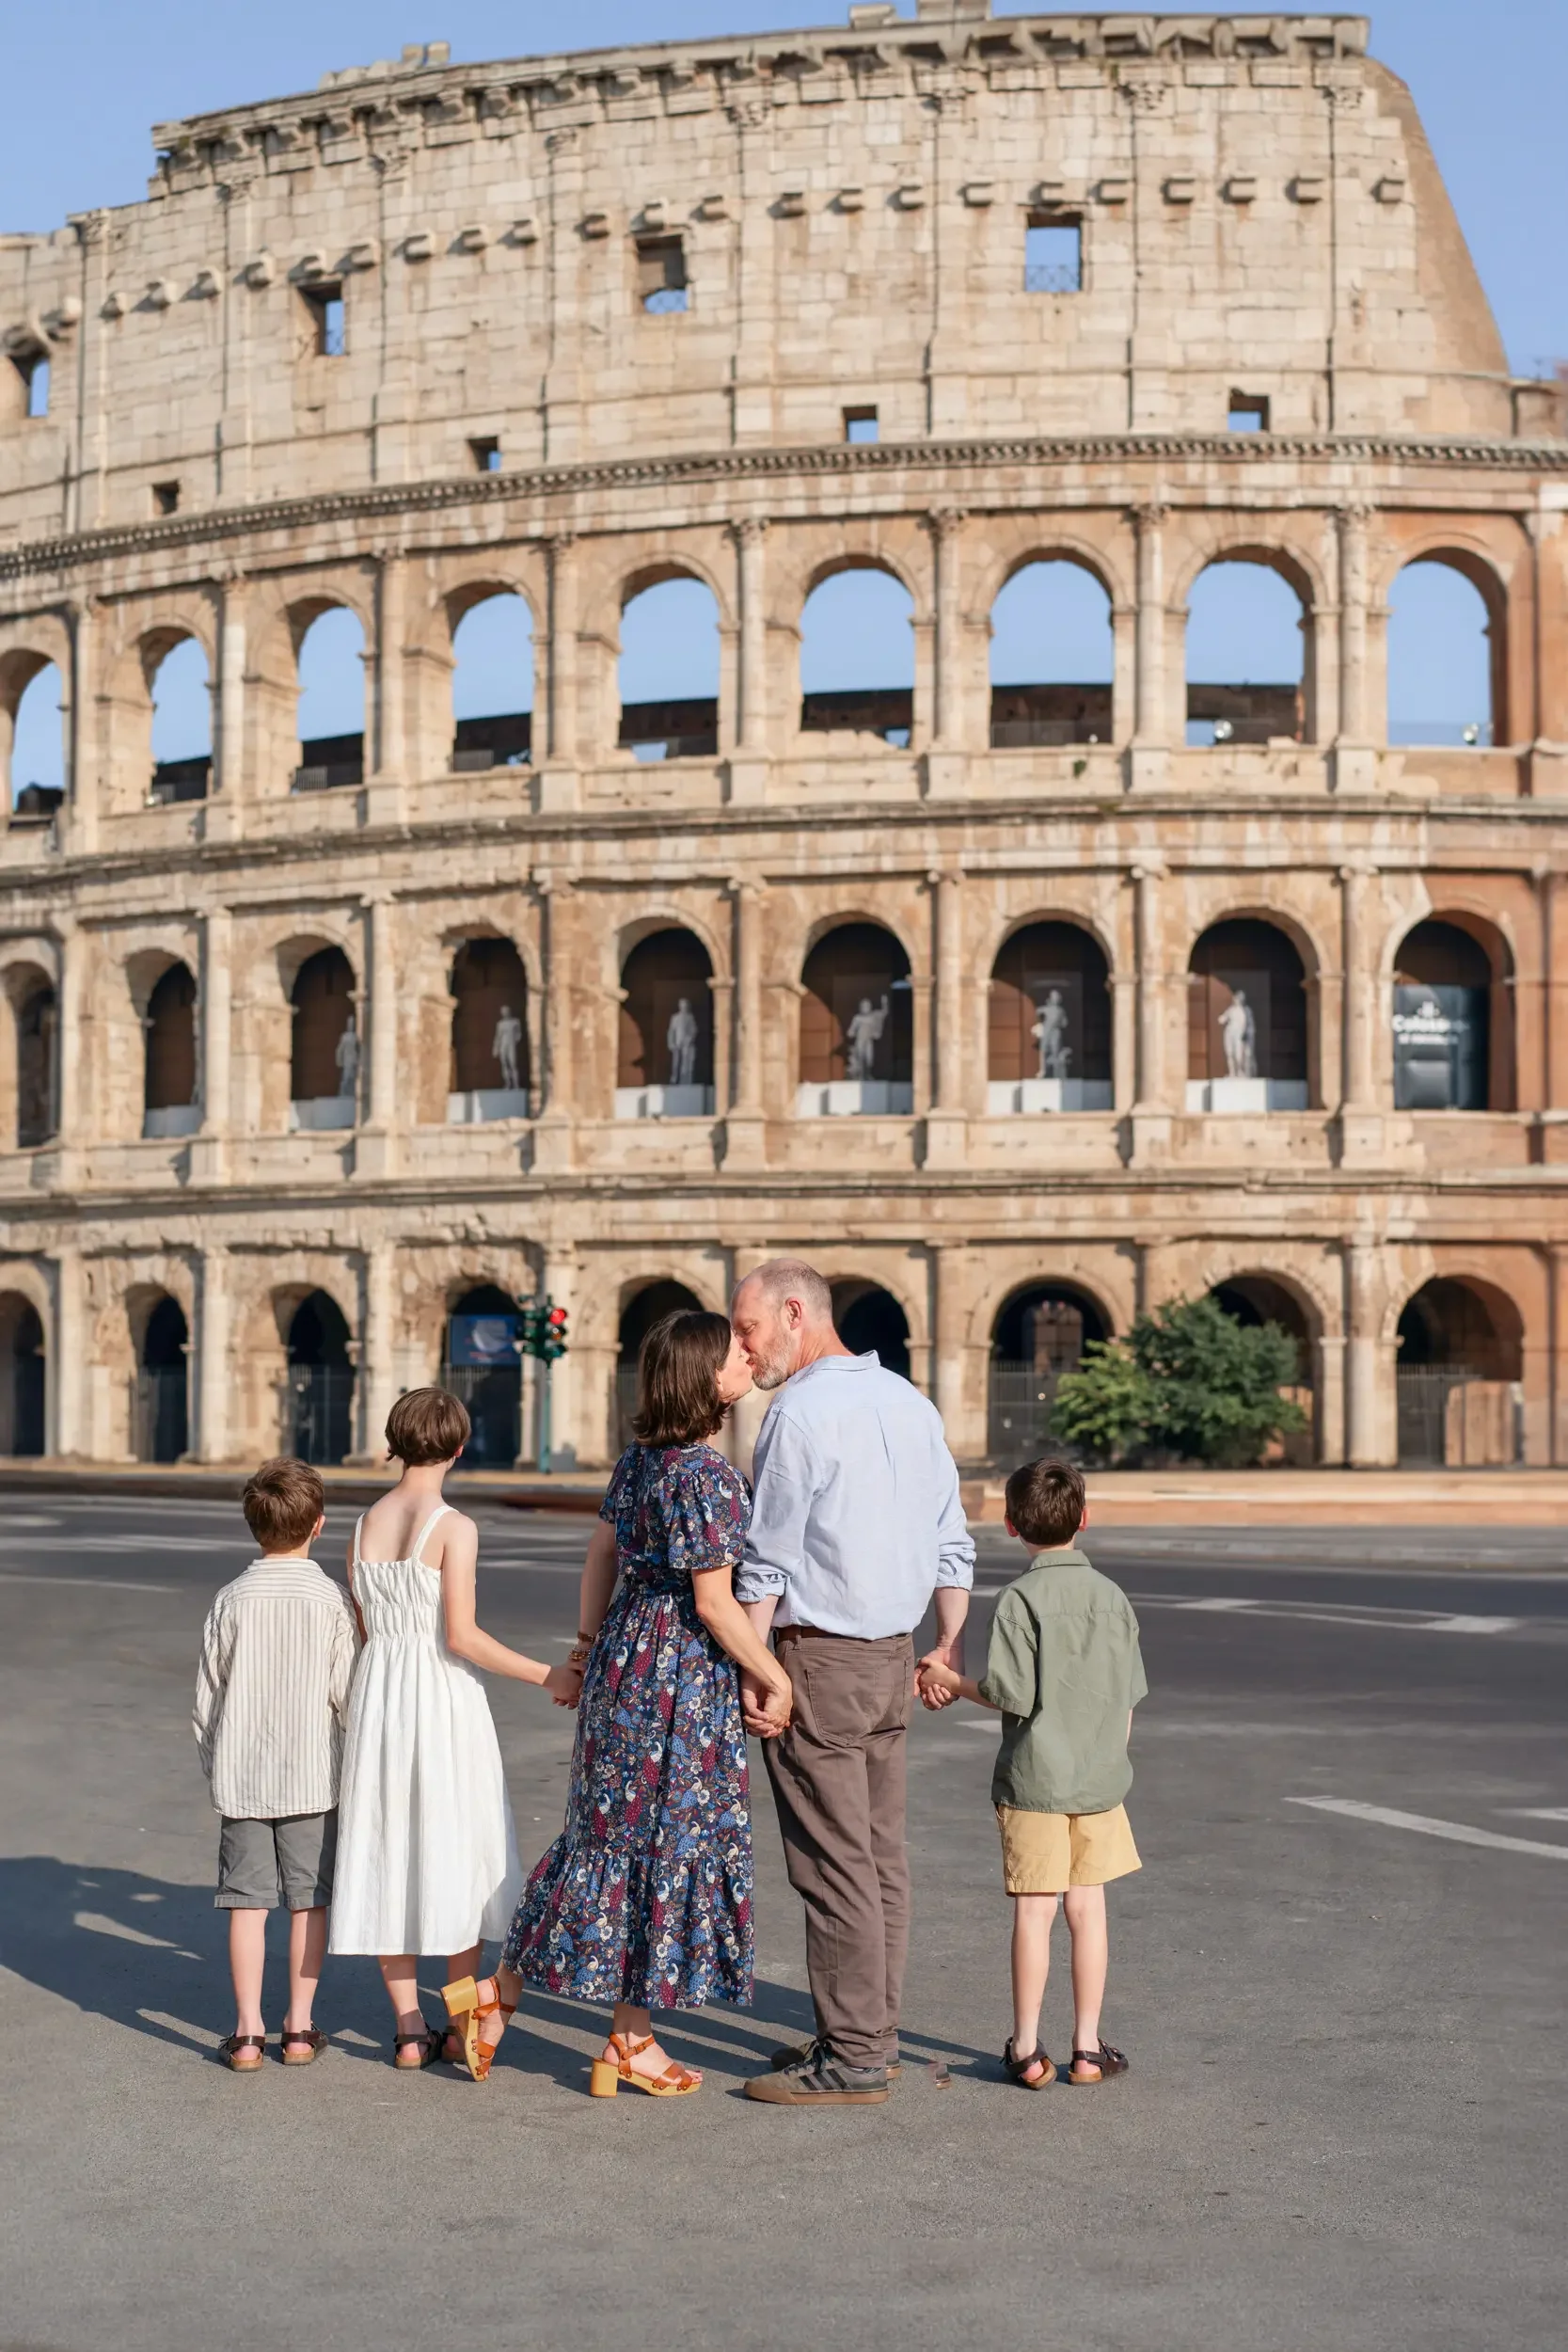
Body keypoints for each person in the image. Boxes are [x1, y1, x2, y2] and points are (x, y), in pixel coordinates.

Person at [467, 1310, 790, 2097]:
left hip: (621, 1660)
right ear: (702, 1377)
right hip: (679, 1675)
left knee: (603, 1836)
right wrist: (773, 1674)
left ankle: (500, 1990)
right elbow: (714, 1605)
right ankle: (629, 2041)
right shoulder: (707, 1477)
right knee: (668, 1848)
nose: (746, 1358)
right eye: (732, 1353)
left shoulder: (641, 1464)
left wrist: (582, 1651)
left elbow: (601, 1551)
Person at [730, 1258, 975, 2106]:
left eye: (749, 1328)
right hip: (891, 1656)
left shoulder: (796, 1413)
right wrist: (944, 1642)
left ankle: (855, 2057)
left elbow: (766, 1558)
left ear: (794, 1313)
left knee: (832, 1864)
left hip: (818, 1656)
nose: (744, 1348)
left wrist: (756, 1670)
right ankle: (871, 2028)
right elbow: (952, 1536)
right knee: (878, 1858)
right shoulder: (909, 1401)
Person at [328, 1387, 580, 2074]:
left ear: (391, 1440)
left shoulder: (360, 1527)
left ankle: (408, 2029)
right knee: (456, 1851)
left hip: (380, 1693)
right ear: (460, 1448)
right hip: (439, 1699)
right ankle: (463, 2021)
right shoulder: (453, 1526)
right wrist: (546, 1675)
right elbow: (462, 1637)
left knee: (389, 1849)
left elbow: (363, 1628)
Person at [917, 1456, 1146, 2090]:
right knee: (1088, 1911)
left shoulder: (1020, 1598)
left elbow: (1008, 1693)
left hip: (1034, 1781)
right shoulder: (1111, 1597)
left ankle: (1024, 2047)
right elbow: (1127, 1696)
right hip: (1099, 1781)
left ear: (1012, 1526)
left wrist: (946, 1680)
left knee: (1032, 1913)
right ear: (1085, 1518)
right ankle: (1086, 2047)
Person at [193, 1456, 357, 2072]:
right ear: (318, 1524)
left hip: (243, 1780)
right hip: (313, 1776)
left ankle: (246, 2032)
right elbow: (346, 1694)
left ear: (251, 1524)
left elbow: (207, 1696)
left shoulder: (230, 1599)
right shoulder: (330, 1600)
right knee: (308, 1903)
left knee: (245, 1903)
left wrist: (218, 1766)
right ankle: (298, 2025)